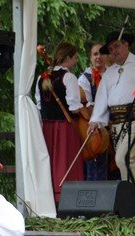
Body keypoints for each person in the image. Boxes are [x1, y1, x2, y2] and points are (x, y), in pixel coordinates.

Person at [88, 31, 135, 196]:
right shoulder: (109, 73)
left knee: (124, 159)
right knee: (127, 161)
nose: (114, 51)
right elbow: (102, 99)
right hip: (117, 125)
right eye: (110, 48)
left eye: (117, 46)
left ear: (126, 45)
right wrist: (95, 121)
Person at [36, 42, 84, 203]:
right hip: (65, 127)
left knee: (50, 161)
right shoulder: (68, 77)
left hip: (47, 128)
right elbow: (74, 107)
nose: (76, 61)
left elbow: (39, 105)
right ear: (68, 58)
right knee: (66, 161)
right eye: (74, 58)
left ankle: (51, 197)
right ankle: (68, 198)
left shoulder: (41, 78)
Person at [78, 42, 111, 181]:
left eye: (102, 53)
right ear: (90, 57)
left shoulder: (113, 74)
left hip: (114, 123)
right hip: (97, 127)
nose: (99, 57)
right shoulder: (85, 78)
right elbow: (86, 106)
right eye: (95, 54)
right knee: (96, 163)